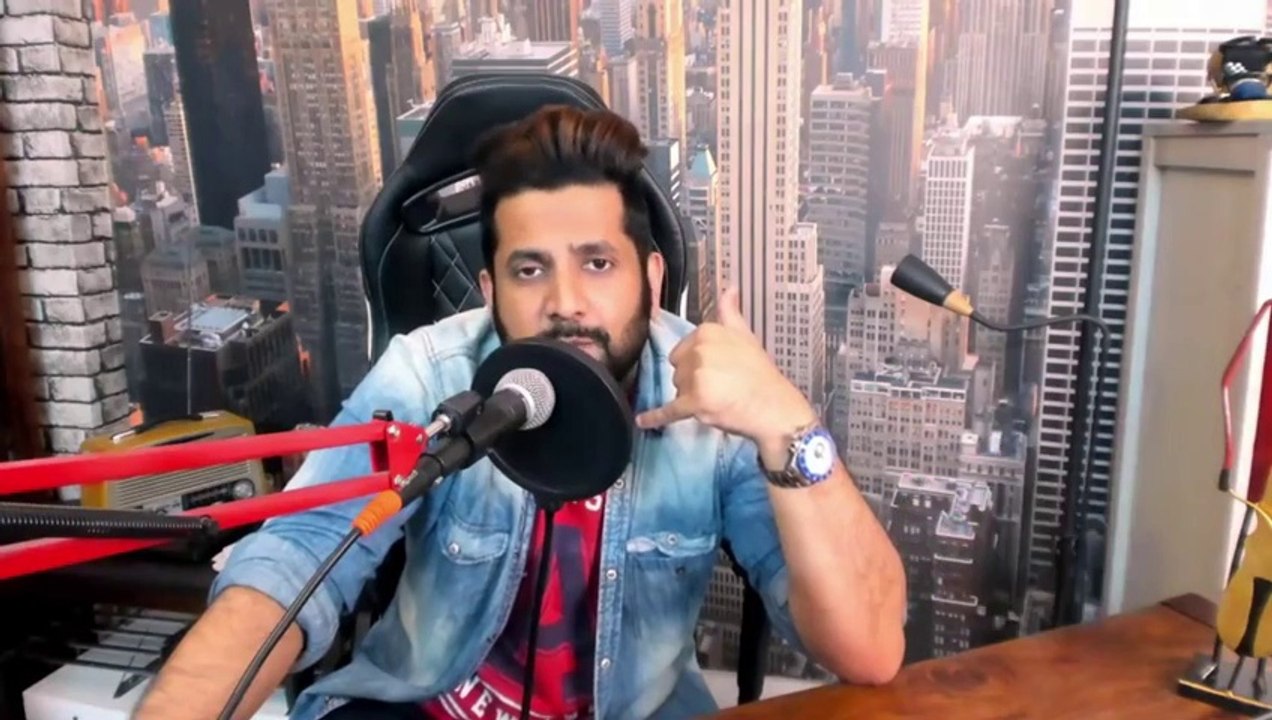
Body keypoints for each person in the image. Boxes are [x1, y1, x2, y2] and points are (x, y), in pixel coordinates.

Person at [133, 105, 906, 720]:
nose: (566, 302)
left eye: (597, 263)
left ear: (651, 277)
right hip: (426, 706)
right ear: (490, 291)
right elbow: (298, 558)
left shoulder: (713, 407)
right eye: (530, 270)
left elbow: (868, 651)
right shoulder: (430, 373)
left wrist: (786, 421)